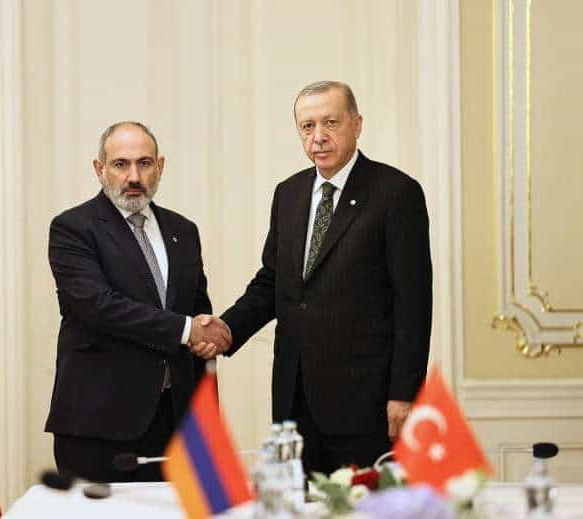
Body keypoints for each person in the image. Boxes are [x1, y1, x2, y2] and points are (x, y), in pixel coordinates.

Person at [210, 81, 432, 474]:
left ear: (357, 124)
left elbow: (413, 304)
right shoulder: (289, 193)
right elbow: (273, 282)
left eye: (331, 122)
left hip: (366, 403)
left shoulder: (396, 193)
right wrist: (226, 329)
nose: (318, 137)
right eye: (307, 126)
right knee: (298, 500)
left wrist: (403, 392)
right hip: (294, 402)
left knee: (360, 503)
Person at [45, 121, 230, 482]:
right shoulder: (73, 228)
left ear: (160, 167)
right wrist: (188, 330)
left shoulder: (183, 231)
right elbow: (100, 306)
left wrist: (207, 336)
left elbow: (196, 310)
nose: (134, 176)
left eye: (144, 163)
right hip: (100, 426)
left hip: (177, 422)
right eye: (120, 164)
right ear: (100, 169)